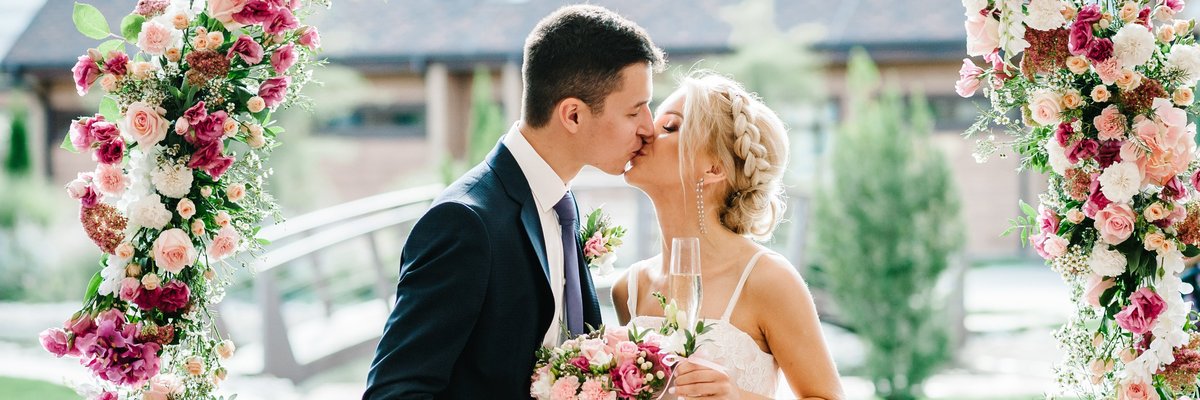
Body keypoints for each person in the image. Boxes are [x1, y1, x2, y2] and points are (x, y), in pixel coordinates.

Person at [364, 5, 665, 399]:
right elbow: (396, 391)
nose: (648, 126)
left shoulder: (560, 205)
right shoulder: (465, 222)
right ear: (572, 115)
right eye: (634, 110)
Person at [613, 72, 844, 399]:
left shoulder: (769, 281)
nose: (646, 133)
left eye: (670, 127)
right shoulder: (630, 288)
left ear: (714, 168)